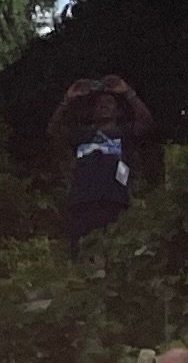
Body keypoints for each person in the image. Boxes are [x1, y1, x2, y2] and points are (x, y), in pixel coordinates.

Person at [51, 73, 150, 244]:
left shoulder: (124, 132)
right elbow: (54, 131)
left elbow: (146, 122)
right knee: (81, 256)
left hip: (115, 202)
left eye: (109, 103)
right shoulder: (82, 134)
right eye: (99, 104)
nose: (104, 106)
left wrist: (128, 93)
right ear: (92, 111)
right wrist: (67, 100)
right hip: (82, 203)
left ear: (118, 111)